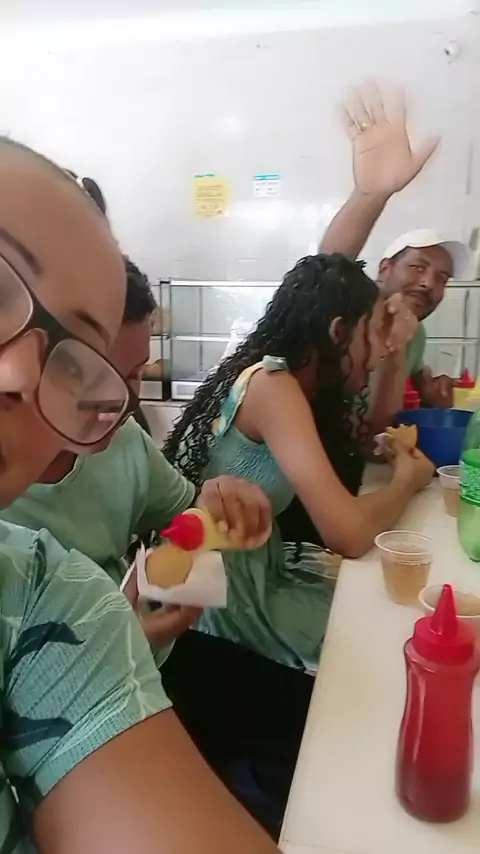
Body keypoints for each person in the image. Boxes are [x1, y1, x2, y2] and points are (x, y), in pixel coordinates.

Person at [0, 137, 279, 853]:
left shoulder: (46, 599)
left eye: (81, 364)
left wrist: (220, 503)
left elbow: (185, 520)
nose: (21, 375)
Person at [161, 253, 433, 833]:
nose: (374, 353)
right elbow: (349, 533)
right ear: (337, 331)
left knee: (386, 625)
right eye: (370, 335)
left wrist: (390, 353)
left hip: (248, 580)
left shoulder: (289, 379)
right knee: (383, 652)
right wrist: (407, 481)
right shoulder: (273, 386)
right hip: (219, 613)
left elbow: (372, 426)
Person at [1, 255, 272, 659]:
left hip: (151, 657)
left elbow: (180, 519)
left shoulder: (125, 441)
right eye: (93, 374)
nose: (121, 401)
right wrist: (115, 647)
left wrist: (216, 505)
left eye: (134, 373)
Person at [320, 85, 469, 412]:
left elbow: (375, 424)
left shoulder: (414, 335)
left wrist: (431, 399)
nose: (429, 283)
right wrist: (371, 195)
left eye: (442, 277)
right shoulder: (348, 315)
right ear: (385, 268)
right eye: (418, 266)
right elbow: (325, 271)